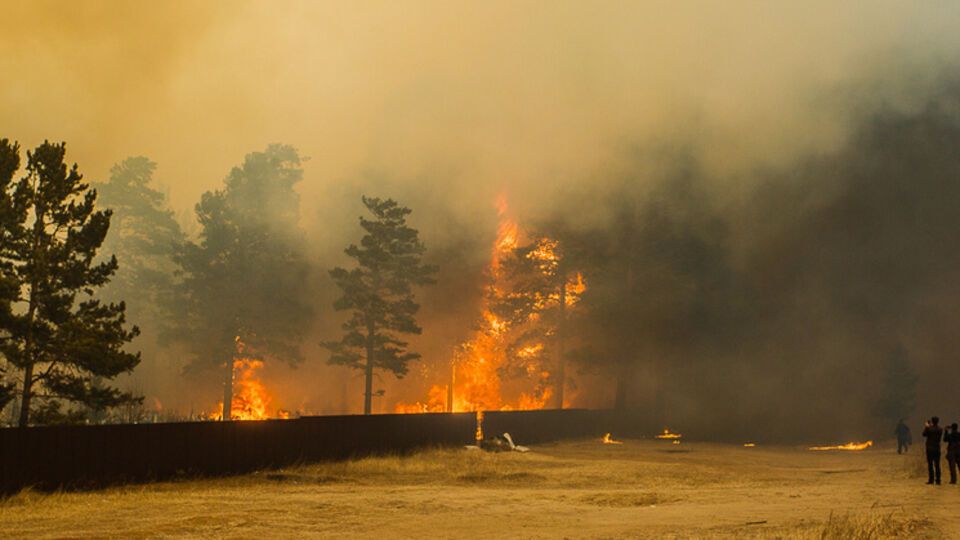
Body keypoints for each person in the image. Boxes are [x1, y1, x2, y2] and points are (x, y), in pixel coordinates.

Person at [923, 417, 944, 485]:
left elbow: (924, 434)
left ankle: (931, 479)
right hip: (937, 448)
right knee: (937, 465)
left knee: (930, 464)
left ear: (932, 421)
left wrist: (926, 427)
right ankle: (938, 480)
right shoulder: (940, 429)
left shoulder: (929, 429)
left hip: (929, 448)